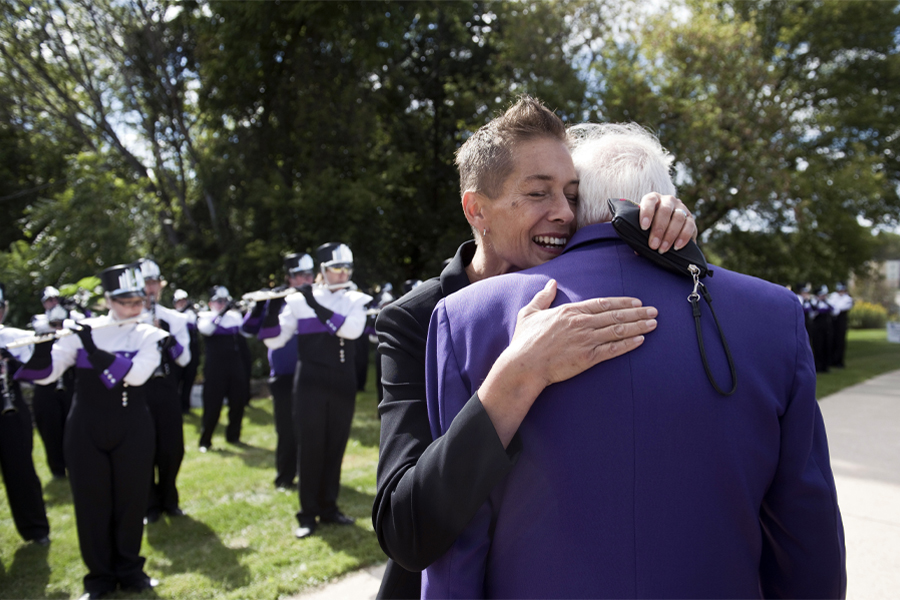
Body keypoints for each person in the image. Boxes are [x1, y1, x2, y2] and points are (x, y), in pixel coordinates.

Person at [423, 123, 845, 598]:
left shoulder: (468, 317)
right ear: (665, 202)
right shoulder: (775, 315)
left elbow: (458, 536)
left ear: (577, 204)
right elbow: (805, 520)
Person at [372, 96, 697, 599]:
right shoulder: (413, 320)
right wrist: (517, 376)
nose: (565, 213)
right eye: (538, 194)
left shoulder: (589, 296)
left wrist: (664, 224)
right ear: (477, 209)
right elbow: (404, 529)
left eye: (572, 193)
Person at [16, 263, 168, 599]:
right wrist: (42, 345)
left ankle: (131, 571)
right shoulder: (82, 331)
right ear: (109, 301)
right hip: (85, 429)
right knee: (91, 505)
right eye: (126, 302)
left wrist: (94, 350)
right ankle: (98, 578)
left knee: (130, 503)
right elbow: (45, 375)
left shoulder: (148, 333)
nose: (134, 308)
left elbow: (136, 375)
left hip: (133, 427)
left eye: (138, 301)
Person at [262, 242, 372, 539]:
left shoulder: (355, 299)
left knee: (335, 445)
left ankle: (329, 507)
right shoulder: (298, 301)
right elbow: (273, 340)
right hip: (309, 382)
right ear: (323, 271)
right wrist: (270, 312)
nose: (342, 274)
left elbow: (350, 331)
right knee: (310, 447)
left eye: (346, 268)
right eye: (337, 269)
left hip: (342, 381)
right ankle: (307, 514)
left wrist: (315, 305)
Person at [242, 252, 315, 489]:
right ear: (289, 278)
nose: (305, 279)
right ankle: (285, 477)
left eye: (309, 274)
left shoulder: (317, 297)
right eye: (299, 275)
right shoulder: (278, 299)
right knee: (286, 430)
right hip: (284, 374)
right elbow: (248, 329)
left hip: (312, 373)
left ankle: (310, 477)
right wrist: (262, 307)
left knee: (311, 430)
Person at [0, 282, 52, 547]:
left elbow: (40, 370)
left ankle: (36, 529)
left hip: (11, 414)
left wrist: (41, 344)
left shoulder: (11, 336)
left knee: (21, 470)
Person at [139, 259, 191, 522]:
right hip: (140, 390)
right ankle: (149, 504)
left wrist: (169, 340)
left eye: (153, 283)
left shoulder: (174, 318)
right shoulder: (129, 320)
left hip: (166, 387)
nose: (150, 289)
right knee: (144, 447)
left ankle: (169, 498)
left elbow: (184, 359)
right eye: (145, 283)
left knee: (172, 448)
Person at [30, 285, 82, 479]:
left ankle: (76, 463)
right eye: (49, 301)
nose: (53, 304)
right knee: (50, 427)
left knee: (73, 425)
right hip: (46, 385)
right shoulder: (39, 320)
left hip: (69, 381)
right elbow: (40, 330)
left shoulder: (72, 319)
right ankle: (57, 469)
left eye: (55, 300)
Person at [197, 286, 250, 451]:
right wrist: (222, 312)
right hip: (215, 368)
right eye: (218, 301)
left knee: (238, 401)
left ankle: (233, 435)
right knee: (212, 404)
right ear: (210, 303)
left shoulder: (234, 317)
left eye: (224, 301)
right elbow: (206, 330)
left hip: (234, 364)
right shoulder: (205, 317)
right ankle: (205, 440)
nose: (222, 304)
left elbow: (247, 331)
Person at [173, 289, 201, 413]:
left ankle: (186, 405)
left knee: (189, 378)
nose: (182, 303)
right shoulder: (173, 315)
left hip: (192, 350)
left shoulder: (192, 314)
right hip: (178, 351)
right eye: (179, 301)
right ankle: (176, 405)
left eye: (184, 301)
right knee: (177, 379)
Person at [828, 283, 854, 368]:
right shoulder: (833, 296)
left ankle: (839, 361)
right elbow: (830, 304)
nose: (840, 292)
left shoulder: (847, 299)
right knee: (832, 340)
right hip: (832, 321)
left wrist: (834, 308)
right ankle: (831, 360)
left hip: (841, 320)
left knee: (840, 341)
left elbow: (840, 308)